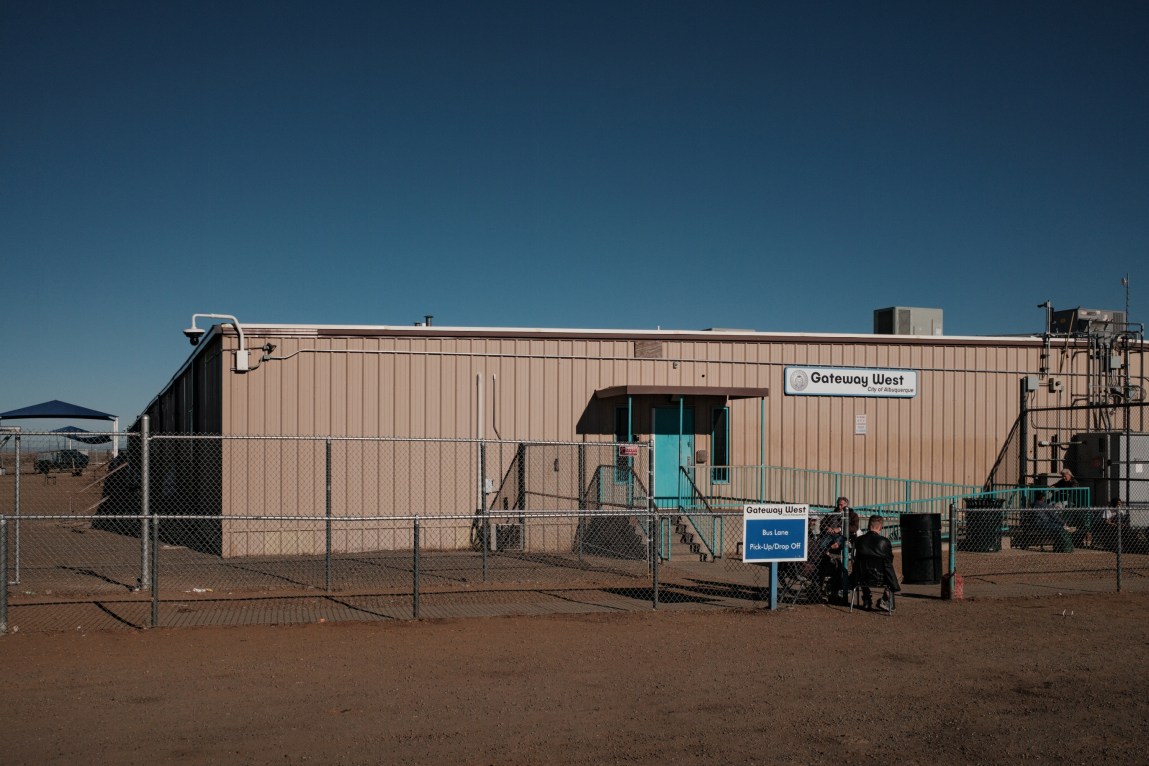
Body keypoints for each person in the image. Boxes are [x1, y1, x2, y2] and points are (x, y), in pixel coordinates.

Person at [851, 514, 900, 611]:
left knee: (862, 566)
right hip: (880, 578)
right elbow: (889, 561)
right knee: (897, 573)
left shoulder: (859, 540)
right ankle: (885, 599)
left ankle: (867, 598)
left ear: (869, 526)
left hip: (861, 577)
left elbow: (854, 559)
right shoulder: (884, 542)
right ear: (880, 527)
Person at [814, 515, 849, 604]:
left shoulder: (851, 515)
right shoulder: (832, 513)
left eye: (842, 505)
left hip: (840, 535)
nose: (839, 506)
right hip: (829, 534)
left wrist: (839, 529)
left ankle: (832, 591)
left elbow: (852, 527)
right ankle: (829, 591)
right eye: (839, 504)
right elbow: (822, 523)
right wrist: (827, 528)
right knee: (823, 545)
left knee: (840, 539)